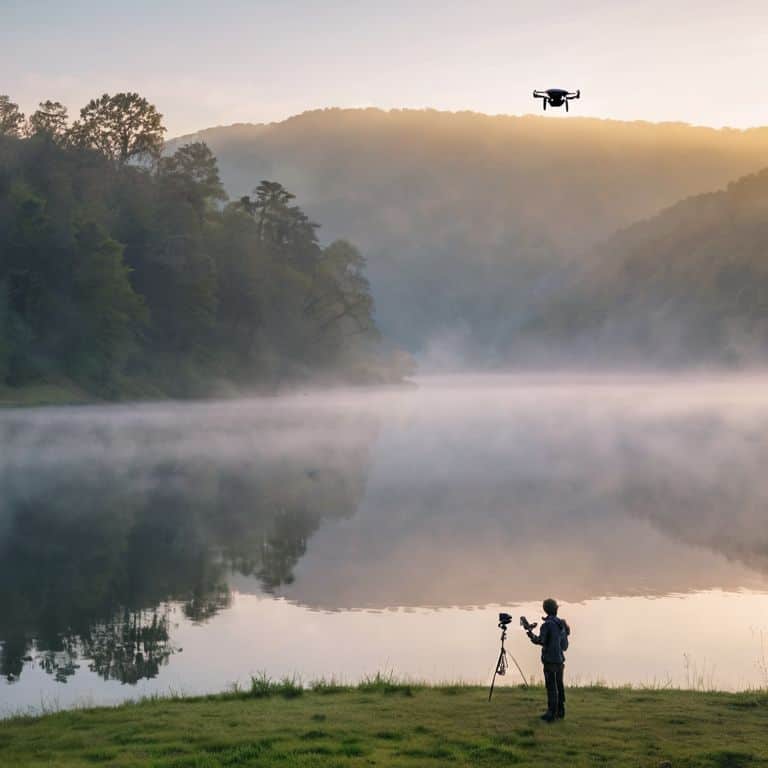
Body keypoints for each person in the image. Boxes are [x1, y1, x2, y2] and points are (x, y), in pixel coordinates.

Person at [525, 598, 570, 722]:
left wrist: (530, 635)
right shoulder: (562, 624)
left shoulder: (546, 625)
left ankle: (551, 713)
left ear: (545, 610)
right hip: (560, 661)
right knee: (559, 686)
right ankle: (561, 711)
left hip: (549, 661)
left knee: (551, 687)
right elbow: (565, 646)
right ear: (556, 609)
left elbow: (541, 641)